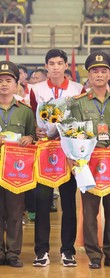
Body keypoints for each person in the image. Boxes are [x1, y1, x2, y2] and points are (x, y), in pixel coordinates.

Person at [69, 51, 110, 269]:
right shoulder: (79, 103)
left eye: (103, 70)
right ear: (89, 75)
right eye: (95, 71)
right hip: (87, 163)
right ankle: (93, 254)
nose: (99, 75)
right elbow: (71, 132)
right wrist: (73, 159)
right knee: (90, 211)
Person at [30, 49, 83, 267]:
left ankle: (67, 251)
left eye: (59, 63)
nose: (55, 67)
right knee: (42, 202)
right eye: (51, 63)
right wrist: (36, 132)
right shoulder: (35, 89)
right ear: (46, 66)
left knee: (69, 203)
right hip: (44, 152)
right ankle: (41, 251)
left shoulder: (77, 89)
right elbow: (32, 117)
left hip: (68, 152)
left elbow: (81, 118)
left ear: (65, 66)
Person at [0, 60, 36, 267]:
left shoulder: (25, 110)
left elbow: (33, 135)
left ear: (16, 84)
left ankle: (13, 253)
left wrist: (30, 139)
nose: (4, 84)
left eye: (8, 80)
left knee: (14, 212)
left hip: (16, 170)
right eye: (0, 81)